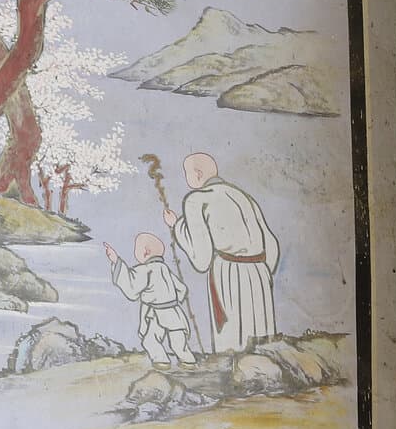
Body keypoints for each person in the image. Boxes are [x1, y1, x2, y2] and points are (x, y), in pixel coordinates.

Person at [164, 151, 279, 352]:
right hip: (259, 273)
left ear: (198, 174)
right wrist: (262, 272)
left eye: (187, 173)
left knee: (233, 344)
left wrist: (177, 227)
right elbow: (271, 242)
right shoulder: (243, 196)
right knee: (261, 341)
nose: (186, 178)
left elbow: (202, 259)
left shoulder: (196, 199)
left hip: (228, 274)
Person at [103, 231, 198, 367]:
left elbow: (131, 286)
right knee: (178, 341)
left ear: (146, 252)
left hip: (155, 314)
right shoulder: (165, 268)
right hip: (174, 312)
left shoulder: (146, 269)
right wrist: (177, 299)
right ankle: (188, 360)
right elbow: (181, 288)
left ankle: (161, 361)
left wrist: (116, 261)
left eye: (136, 249)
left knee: (150, 340)